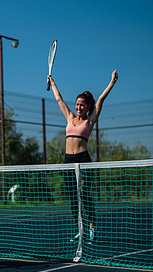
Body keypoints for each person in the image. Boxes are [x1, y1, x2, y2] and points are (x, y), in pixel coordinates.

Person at [47, 70, 118, 243]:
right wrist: (52, 82)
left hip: (83, 161)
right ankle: (81, 228)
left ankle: (92, 226)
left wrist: (112, 82)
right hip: (68, 162)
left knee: (84, 194)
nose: (78, 107)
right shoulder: (70, 117)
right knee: (73, 197)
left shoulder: (90, 120)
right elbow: (59, 99)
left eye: (82, 105)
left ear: (88, 107)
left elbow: (100, 99)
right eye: (77, 104)